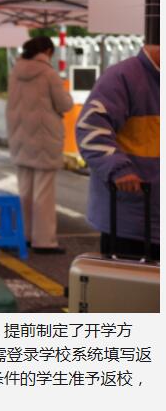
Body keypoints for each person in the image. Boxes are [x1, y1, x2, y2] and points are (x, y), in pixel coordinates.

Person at [76, 44, 159, 260]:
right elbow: (90, 129)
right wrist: (118, 169)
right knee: (130, 281)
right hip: (131, 219)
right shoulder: (123, 77)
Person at [5, 36, 73, 254]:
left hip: (20, 138)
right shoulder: (48, 74)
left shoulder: (15, 72)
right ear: (48, 51)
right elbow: (64, 104)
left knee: (25, 190)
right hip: (44, 139)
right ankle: (44, 241)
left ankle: (25, 235)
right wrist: (69, 97)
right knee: (43, 193)